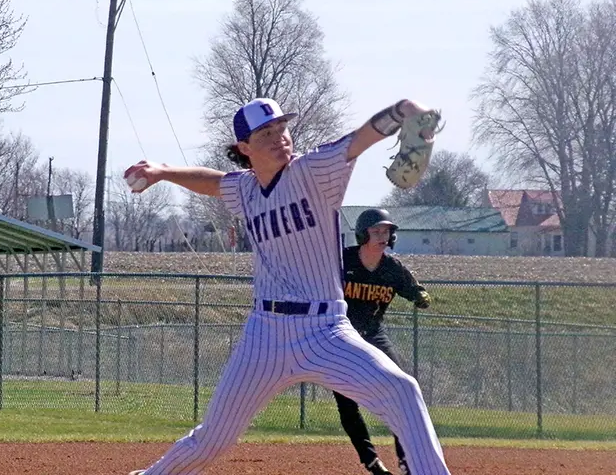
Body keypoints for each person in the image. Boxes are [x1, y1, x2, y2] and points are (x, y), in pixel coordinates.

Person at [124, 97, 452, 475]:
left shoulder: (314, 171)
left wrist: (400, 112)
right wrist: (164, 171)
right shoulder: (246, 190)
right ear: (244, 148)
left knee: (402, 390)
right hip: (264, 334)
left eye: (282, 128)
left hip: (326, 331)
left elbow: (359, 139)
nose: (280, 137)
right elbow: (214, 182)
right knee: (212, 440)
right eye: (266, 133)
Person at [335, 208, 432, 475]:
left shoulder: (391, 268)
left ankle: (405, 459)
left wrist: (420, 296)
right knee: (345, 399)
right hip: (340, 336)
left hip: (373, 333)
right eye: (376, 231)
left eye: (386, 231)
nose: (382, 236)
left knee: (401, 387)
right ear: (362, 234)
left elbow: (414, 288)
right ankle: (371, 461)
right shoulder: (343, 262)